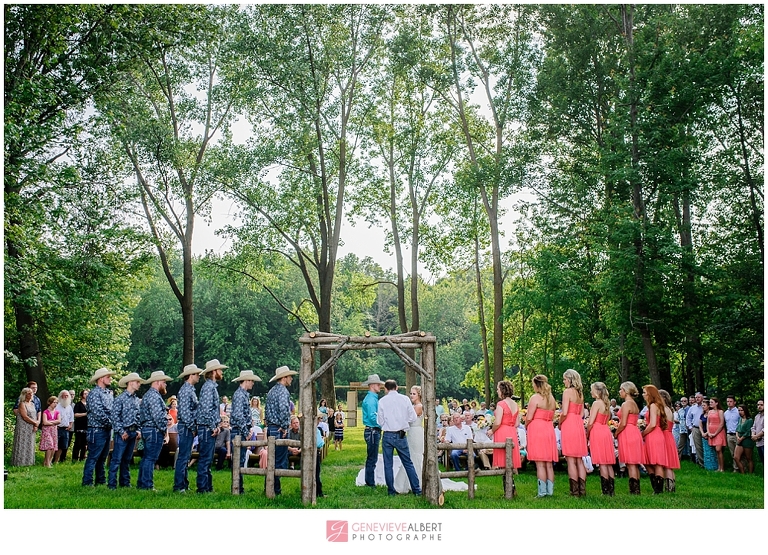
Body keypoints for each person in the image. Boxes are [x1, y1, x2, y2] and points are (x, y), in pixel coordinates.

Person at [377, 379, 421, 496]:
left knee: (388, 464)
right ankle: (416, 489)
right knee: (408, 462)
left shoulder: (382, 401)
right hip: (401, 434)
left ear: (385, 389)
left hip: (387, 434)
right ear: (396, 387)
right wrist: (403, 420)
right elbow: (412, 417)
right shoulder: (405, 399)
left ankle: (391, 490)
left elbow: (380, 421)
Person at [264, 365, 298, 495]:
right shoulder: (283, 392)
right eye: (290, 376)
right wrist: (285, 426)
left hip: (271, 428)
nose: (291, 379)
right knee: (278, 460)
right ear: (284, 378)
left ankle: (268, 487)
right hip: (279, 429)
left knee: (271, 460)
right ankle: (275, 490)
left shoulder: (272, 391)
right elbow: (285, 410)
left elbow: (267, 411)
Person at [138, 370, 172, 490]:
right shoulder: (154, 396)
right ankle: (147, 485)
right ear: (157, 382)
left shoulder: (149, 395)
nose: (166, 384)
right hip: (153, 430)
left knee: (146, 457)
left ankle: (141, 484)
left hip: (148, 430)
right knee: (150, 458)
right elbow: (158, 417)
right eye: (164, 382)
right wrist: (164, 428)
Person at [526, 374, 558, 497]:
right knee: (548, 464)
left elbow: (529, 416)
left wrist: (527, 425)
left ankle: (542, 492)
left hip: (538, 429)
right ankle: (550, 491)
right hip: (548, 428)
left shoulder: (535, 398)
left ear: (537, 384)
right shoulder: (552, 399)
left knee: (540, 463)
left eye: (533, 384)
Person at [197, 359, 226, 493]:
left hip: (209, 427)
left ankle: (207, 487)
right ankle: (203, 488)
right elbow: (207, 409)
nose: (221, 372)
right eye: (220, 370)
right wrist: (213, 426)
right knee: (205, 459)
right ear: (214, 372)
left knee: (207, 459)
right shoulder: (209, 388)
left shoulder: (210, 387)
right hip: (207, 428)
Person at [82, 367, 116, 486]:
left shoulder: (108, 393)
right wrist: (112, 423)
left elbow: (112, 411)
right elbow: (98, 413)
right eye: (108, 377)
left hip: (106, 429)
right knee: (93, 457)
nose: (110, 378)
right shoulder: (94, 394)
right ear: (101, 379)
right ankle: (87, 482)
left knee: (102, 458)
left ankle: (100, 481)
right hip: (96, 430)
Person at [108, 372, 142, 489]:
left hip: (132, 432)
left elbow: (138, 416)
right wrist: (121, 431)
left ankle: (125, 482)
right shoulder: (120, 399)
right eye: (137, 382)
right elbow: (114, 416)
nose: (139, 384)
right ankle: (112, 484)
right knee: (117, 459)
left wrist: (138, 430)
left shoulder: (136, 400)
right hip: (123, 432)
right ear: (131, 383)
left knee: (127, 459)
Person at [173, 363, 203, 493]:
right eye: (197, 374)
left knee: (186, 456)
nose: (199, 377)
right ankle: (179, 486)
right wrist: (192, 428)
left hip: (187, 427)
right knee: (183, 457)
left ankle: (183, 484)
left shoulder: (189, 389)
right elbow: (185, 413)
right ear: (191, 375)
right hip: (186, 427)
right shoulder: (186, 391)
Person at [230, 369, 260, 493]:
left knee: (240, 459)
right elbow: (238, 415)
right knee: (238, 460)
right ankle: (237, 487)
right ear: (246, 381)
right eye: (252, 381)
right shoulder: (239, 395)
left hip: (241, 430)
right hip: (238, 431)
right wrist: (246, 431)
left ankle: (239, 487)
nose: (253, 383)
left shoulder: (242, 394)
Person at [560, 369, 588, 497]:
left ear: (570, 379)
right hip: (578, 423)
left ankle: (574, 491)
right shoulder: (580, 393)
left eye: (565, 379)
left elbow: (565, 412)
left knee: (570, 459)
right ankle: (582, 490)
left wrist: (560, 422)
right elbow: (582, 413)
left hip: (569, 424)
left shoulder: (567, 392)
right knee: (579, 459)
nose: (563, 381)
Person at [491, 380, 521, 496]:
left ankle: (509, 490)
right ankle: (512, 489)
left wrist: (491, 430)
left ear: (502, 390)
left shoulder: (501, 404)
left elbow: (498, 422)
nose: (497, 391)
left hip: (502, 431)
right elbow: (517, 423)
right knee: (509, 461)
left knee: (504, 462)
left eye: (498, 389)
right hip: (512, 431)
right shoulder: (515, 404)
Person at [394, 385, 425, 494]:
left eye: (414, 394)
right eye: (410, 393)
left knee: (415, 456)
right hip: (411, 432)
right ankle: (405, 483)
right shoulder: (413, 406)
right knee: (410, 456)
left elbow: (408, 418)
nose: (411, 395)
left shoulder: (418, 406)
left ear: (419, 395)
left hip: (416, 432)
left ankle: (418, 483)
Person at [587, 382, 615, 496]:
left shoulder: (596, 403)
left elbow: (591, 422)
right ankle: (611, 490)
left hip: (597, 431)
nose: (590, 392)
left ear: (597, 391)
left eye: (592, 389)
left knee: (602, 462)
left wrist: (587, 432)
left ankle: (605, 490)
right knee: (608, 462)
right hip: (605, 430)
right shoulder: (606, 403)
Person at [616, 381, 644, 494]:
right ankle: (636, 487)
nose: (619, 392)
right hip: (634, 431)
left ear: (626, 391)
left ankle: (634, 490)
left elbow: (623, 423)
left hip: (627, 431)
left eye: (621, 389)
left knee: (630, 463)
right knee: (634, 463)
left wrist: (616, 433)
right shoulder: (634, 404)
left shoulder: (626, 404)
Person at [640, 385, 668, 494]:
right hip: (656, 433)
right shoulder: (657, 405)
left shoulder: (653, 406)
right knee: (648, 461)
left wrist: (643, 433)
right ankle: (656, 487)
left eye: (644, 393)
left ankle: (658, 489)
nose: (643, 395)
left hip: (653, 434)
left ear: (650, 394)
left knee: (656, 462)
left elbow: (652, 424)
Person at [361, 374, 384, 488]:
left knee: (372, 456)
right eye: (378, 384)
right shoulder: (371, 400)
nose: (380, 386)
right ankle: (370, 483)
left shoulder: (372, 398)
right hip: (372, 431)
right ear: (372, 385)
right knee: (372, 457)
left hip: (372, 431)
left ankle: (369, 481)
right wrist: (383, 424)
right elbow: (372, 417)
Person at [659, 389, 680, 492]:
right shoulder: (669, 409)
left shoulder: (664, 409)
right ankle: (671, 487)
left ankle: (669, 487)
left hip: (665, 435)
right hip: (669, 435)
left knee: (667, 464)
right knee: (669, 465)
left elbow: (663, 425)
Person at [12, 387, 39, 466]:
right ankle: (19, 462)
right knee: (22, 444)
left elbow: (34, 415)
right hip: (23, 427)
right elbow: (25, 416)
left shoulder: (33, 404)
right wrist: (35, 423)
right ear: (24, 394)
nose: (31, 395)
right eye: (29, 393)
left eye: (31, 393)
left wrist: (35, 424)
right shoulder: (22, 404)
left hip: (31, 427)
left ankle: (28, 462)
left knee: (30, 444)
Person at [705, 397, 727, 472]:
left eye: (712, 402)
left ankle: (722, 468)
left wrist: (715, 433)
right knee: (716, 451)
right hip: (711, 432)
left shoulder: (720, 412)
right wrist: (708, 432)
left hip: (719, 432)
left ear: (716, 403)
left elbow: (721, 423)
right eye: (710, 402)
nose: (710, 404)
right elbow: (708, 422)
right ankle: (719, 467)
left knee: (719, 449)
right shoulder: (710, 412)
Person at [53, 390, 74, 464]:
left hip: (66, 429)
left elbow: (71, 418)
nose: (65, 397)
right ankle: (50, 460)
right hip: (57, 428)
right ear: (60, 396)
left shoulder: (69, 407)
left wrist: (70, 426)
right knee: (54, 445)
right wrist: (55, 425)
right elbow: (52, 416)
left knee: (62, 446)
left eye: (67, 396)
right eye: (63, 395)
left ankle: (56, 461)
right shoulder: (57, 406)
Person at [686, 392, 706, 467]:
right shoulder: (692, 408)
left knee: (706, 445)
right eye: (696, 397)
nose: (697, 399)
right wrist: (690, 427)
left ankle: (708, 462)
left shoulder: (705, 407)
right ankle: (701, 463)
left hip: (705, 429)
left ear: (702, 398)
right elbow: (688, 418)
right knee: (698, 446)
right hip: (695, 428)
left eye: (699, 397)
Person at [734, 405, 754, 474]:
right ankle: (742, 472)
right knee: (736, 457)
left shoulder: (749, 420)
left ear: (745, 411)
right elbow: (737, 429)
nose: (740, 412)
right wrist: (737, 437)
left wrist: (742, 438)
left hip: (747, 440)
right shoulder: (740, 419)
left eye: (741, 410)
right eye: (739, 410)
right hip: (739, 439)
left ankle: (750, 473)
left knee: (749, 458)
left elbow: (748, 431)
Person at [724, 395, 740, 472]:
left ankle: (742, 468)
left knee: (739, 453)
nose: (729, 403)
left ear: (734, 402)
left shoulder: (738, 412)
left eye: (731, 401)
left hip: (737, 435)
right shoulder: (726, 413)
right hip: (729, 434)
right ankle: (735, 468)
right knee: (732, 453)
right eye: (728, 401)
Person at [72, 389, 89, 462]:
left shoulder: (89, 404)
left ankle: (82, 458)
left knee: (84, 444)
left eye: (87, 394)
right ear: (82, 395)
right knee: (78, 443)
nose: (86, 395)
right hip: (79, 426)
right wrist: (85, 414)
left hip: (87, 426)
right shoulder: (78, 404)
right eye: (85, 394)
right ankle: (75, 458)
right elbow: (75, 414)